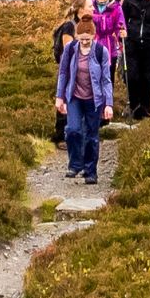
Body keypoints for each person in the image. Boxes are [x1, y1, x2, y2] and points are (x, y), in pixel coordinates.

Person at [53, 11, 113, 184]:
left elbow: (106, 80)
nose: (84, 42)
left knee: (91, 136)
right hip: (74, 97)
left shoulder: (102, 52)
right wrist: (60, 96)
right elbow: (63, 73)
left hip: (94, 99)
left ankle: (90, 171)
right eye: (82, 39)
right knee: (73, 130)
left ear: (93, 36)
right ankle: (75, 164)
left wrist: (108, 104)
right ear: (77, 36)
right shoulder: (70, 50)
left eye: (88, 39)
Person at [48, 0, 83, 146]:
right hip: (69, 68)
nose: (93, 9)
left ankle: (75, 134)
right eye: (90, 6)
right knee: (65, 100)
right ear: (81, 10)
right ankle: (61, 136)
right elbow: (68, 50)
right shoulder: (70, 26)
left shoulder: (84, 24)